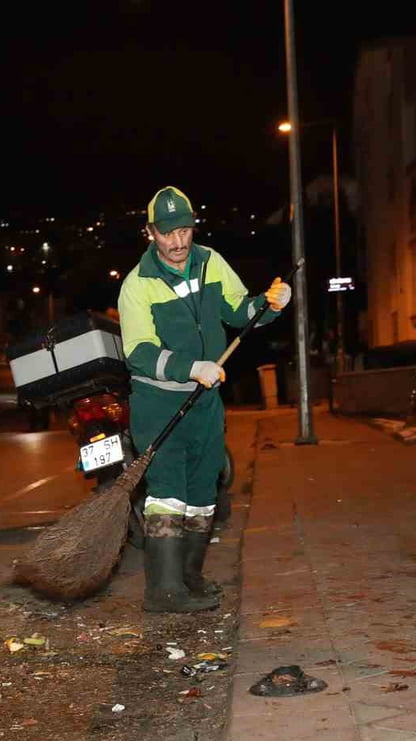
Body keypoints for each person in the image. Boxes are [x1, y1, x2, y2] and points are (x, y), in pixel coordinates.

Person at [117, 186, 291, 612]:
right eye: (167, 233)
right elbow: (138, 352)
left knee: (202, 493)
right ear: (150, 233)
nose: (177, 243)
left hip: (206, 403)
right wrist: (191, 367)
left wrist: (268, 306)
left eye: (185, 230)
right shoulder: (137, 285)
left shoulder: (211, 261)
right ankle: (163, 591)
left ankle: (190, 578)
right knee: (168, 495)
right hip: (160, 403)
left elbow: (238, 310)